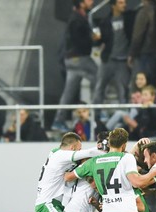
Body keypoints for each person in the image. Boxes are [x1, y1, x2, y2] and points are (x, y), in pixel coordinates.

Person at [51, 0, 100, 131]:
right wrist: (92, 38)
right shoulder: (77, 19)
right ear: (81, 2)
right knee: (99, 76)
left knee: (68, 92)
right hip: (79, 57)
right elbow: (78, 39)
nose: (92, 1)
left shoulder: (77, 17)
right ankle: (98, 111)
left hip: (71, 59)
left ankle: (58, 120)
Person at [93, 0, 134, 105]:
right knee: (99, 87)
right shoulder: (105, 22)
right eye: (120, 3)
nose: (124, 5)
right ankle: (96, 115)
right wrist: (96, 39)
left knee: (123, 90)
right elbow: (99, 41)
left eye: (124, 2)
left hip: (123, 61)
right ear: (113, 5)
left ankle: (125, 115)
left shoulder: (129, 18)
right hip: (108, 59)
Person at [128, 0, 156, 87]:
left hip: (145, 53)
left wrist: (132, 53)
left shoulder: (144, 12)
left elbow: (138, 35)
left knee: (140, 84)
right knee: (155, 84)